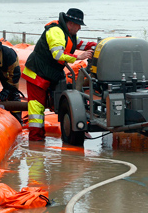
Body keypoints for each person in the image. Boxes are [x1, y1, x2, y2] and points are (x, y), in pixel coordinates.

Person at [22, 8, 96, 141]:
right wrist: (78, 57)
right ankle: (36, 141)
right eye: (79, 25)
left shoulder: (68, 33)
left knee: (51, 101)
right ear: (71, 23)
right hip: (37, 74)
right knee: (36, 109)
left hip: (50, 74)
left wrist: (98, 45)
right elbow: (57, 55)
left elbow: (79, 43)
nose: (79, 28)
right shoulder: (55, 31)